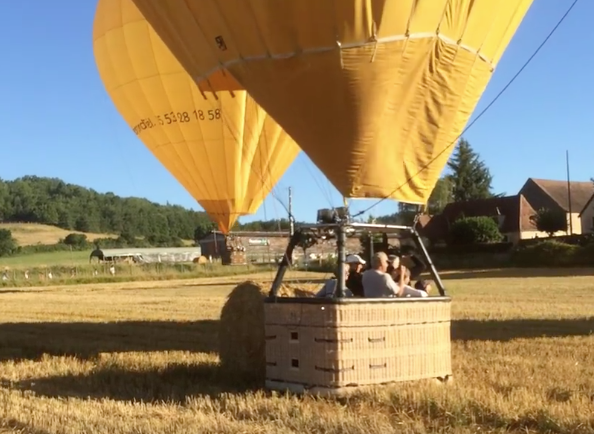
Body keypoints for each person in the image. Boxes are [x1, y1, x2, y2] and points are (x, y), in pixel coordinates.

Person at [363, 252, 428, 298]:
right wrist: (402, 275)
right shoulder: (385, 276)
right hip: (386, 306)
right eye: (386, 262)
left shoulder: (365, 275)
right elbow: (399, 292)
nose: (387, 265)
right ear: (381, 262)